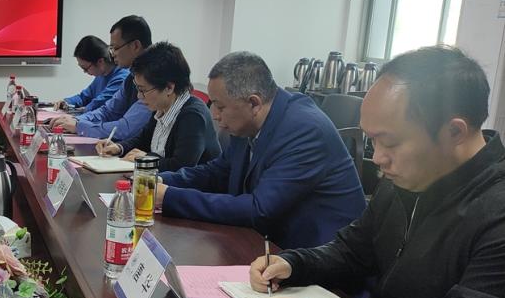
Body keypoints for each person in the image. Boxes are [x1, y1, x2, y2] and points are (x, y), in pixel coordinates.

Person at [252, 45, 505, 298]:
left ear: (454, 132)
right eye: (371, 141)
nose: (378, 159)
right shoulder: (410, 178)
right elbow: (353, 251)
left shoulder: (495, 210)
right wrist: (294, 264)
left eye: (389, 143)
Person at [156, 51, 365, 249]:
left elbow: (259, 210)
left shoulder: (304, 130)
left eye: (220, 107)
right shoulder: (248, 123)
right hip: (271, 244)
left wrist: (169, 197)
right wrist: (156, 181)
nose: (215, 115)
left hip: (319, 256)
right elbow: (217, 172)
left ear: (254, 103)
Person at [94, 41, 220, 172]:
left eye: (143, 90)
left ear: (169, 88)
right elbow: (143, 139)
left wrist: (147, 159)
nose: (139, 96)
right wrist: (119, 147)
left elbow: (182, 167)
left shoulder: (193, 116)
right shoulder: (162, 107)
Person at [49, 15, 153, 139]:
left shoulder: (153, 79)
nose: (112, 54)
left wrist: (79, 126)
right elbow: (108, 111)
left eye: (115, 48)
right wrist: (77, 120)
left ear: (135, 46)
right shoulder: (131, 78)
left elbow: (125, 128)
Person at [54, 35, 129, 114]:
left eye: (85, 68)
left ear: (100, 62)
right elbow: (84, 97)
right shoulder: (101, 75)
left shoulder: (122, 78)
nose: (85, 72)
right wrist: (66, 102)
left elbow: (98, 104)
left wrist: (79, 112)